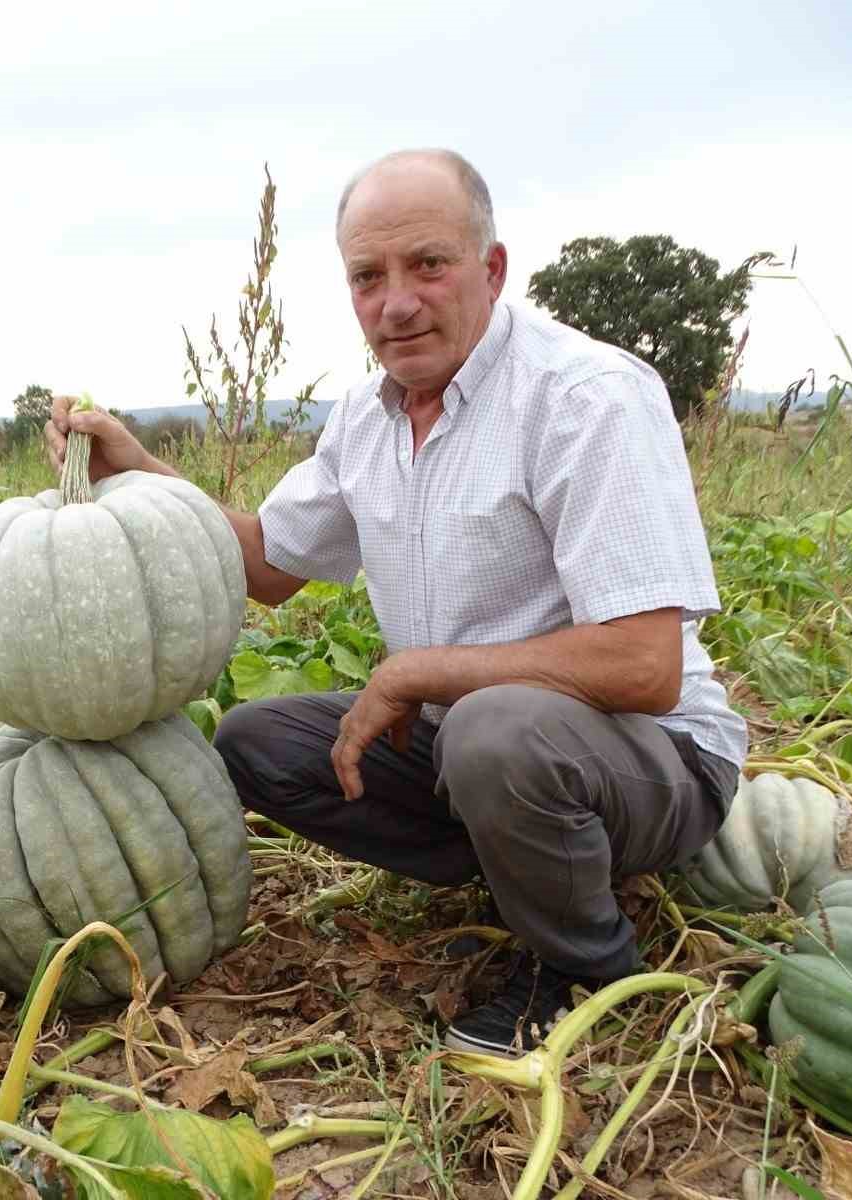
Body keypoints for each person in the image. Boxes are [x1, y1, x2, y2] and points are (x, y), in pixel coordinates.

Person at [44, 147, 746, 1057]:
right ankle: (524, 867)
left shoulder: (586, 398)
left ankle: (585, 968)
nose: (397, 301)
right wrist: (135, 470)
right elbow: (267, 564)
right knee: (257, 744)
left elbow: (645, 667)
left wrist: (422, 671)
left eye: (429, 265)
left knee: (492, 733)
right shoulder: (369, 416)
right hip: (479, 744)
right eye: (368, 277)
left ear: (491, 269)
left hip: (658, 760)